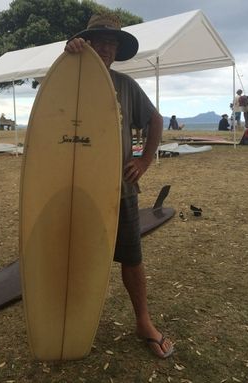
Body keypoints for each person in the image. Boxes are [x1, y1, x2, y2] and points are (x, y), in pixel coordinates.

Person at [65, 13, 173, 359]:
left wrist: (144, 160)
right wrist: (66, 58)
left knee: (131, 258)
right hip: (75, 189)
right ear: (88, 44)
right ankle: (71, 321)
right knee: (76, 256)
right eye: (100, 41)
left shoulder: (125, 85)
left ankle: (143, 321)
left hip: (119, 188)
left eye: (113, 42)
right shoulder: (67, 77)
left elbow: (155, 119)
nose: (107, 48)